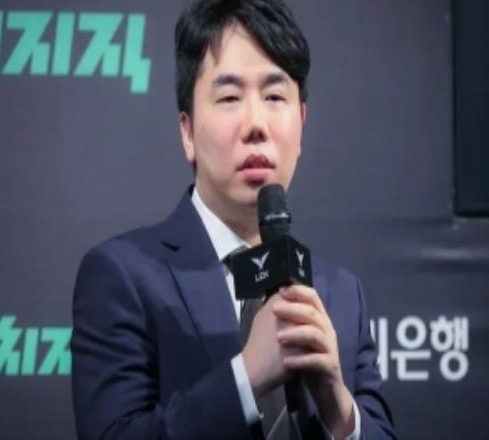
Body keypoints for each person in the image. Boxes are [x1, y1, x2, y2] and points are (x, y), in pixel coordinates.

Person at [71, 0, 396, 439]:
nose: (256, 123)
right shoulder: (123, 277)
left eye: (275, 97)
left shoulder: (341, 295)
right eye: (229, 98)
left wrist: (339, 408)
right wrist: (246, 377)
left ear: (301, 123)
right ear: (187, 131)